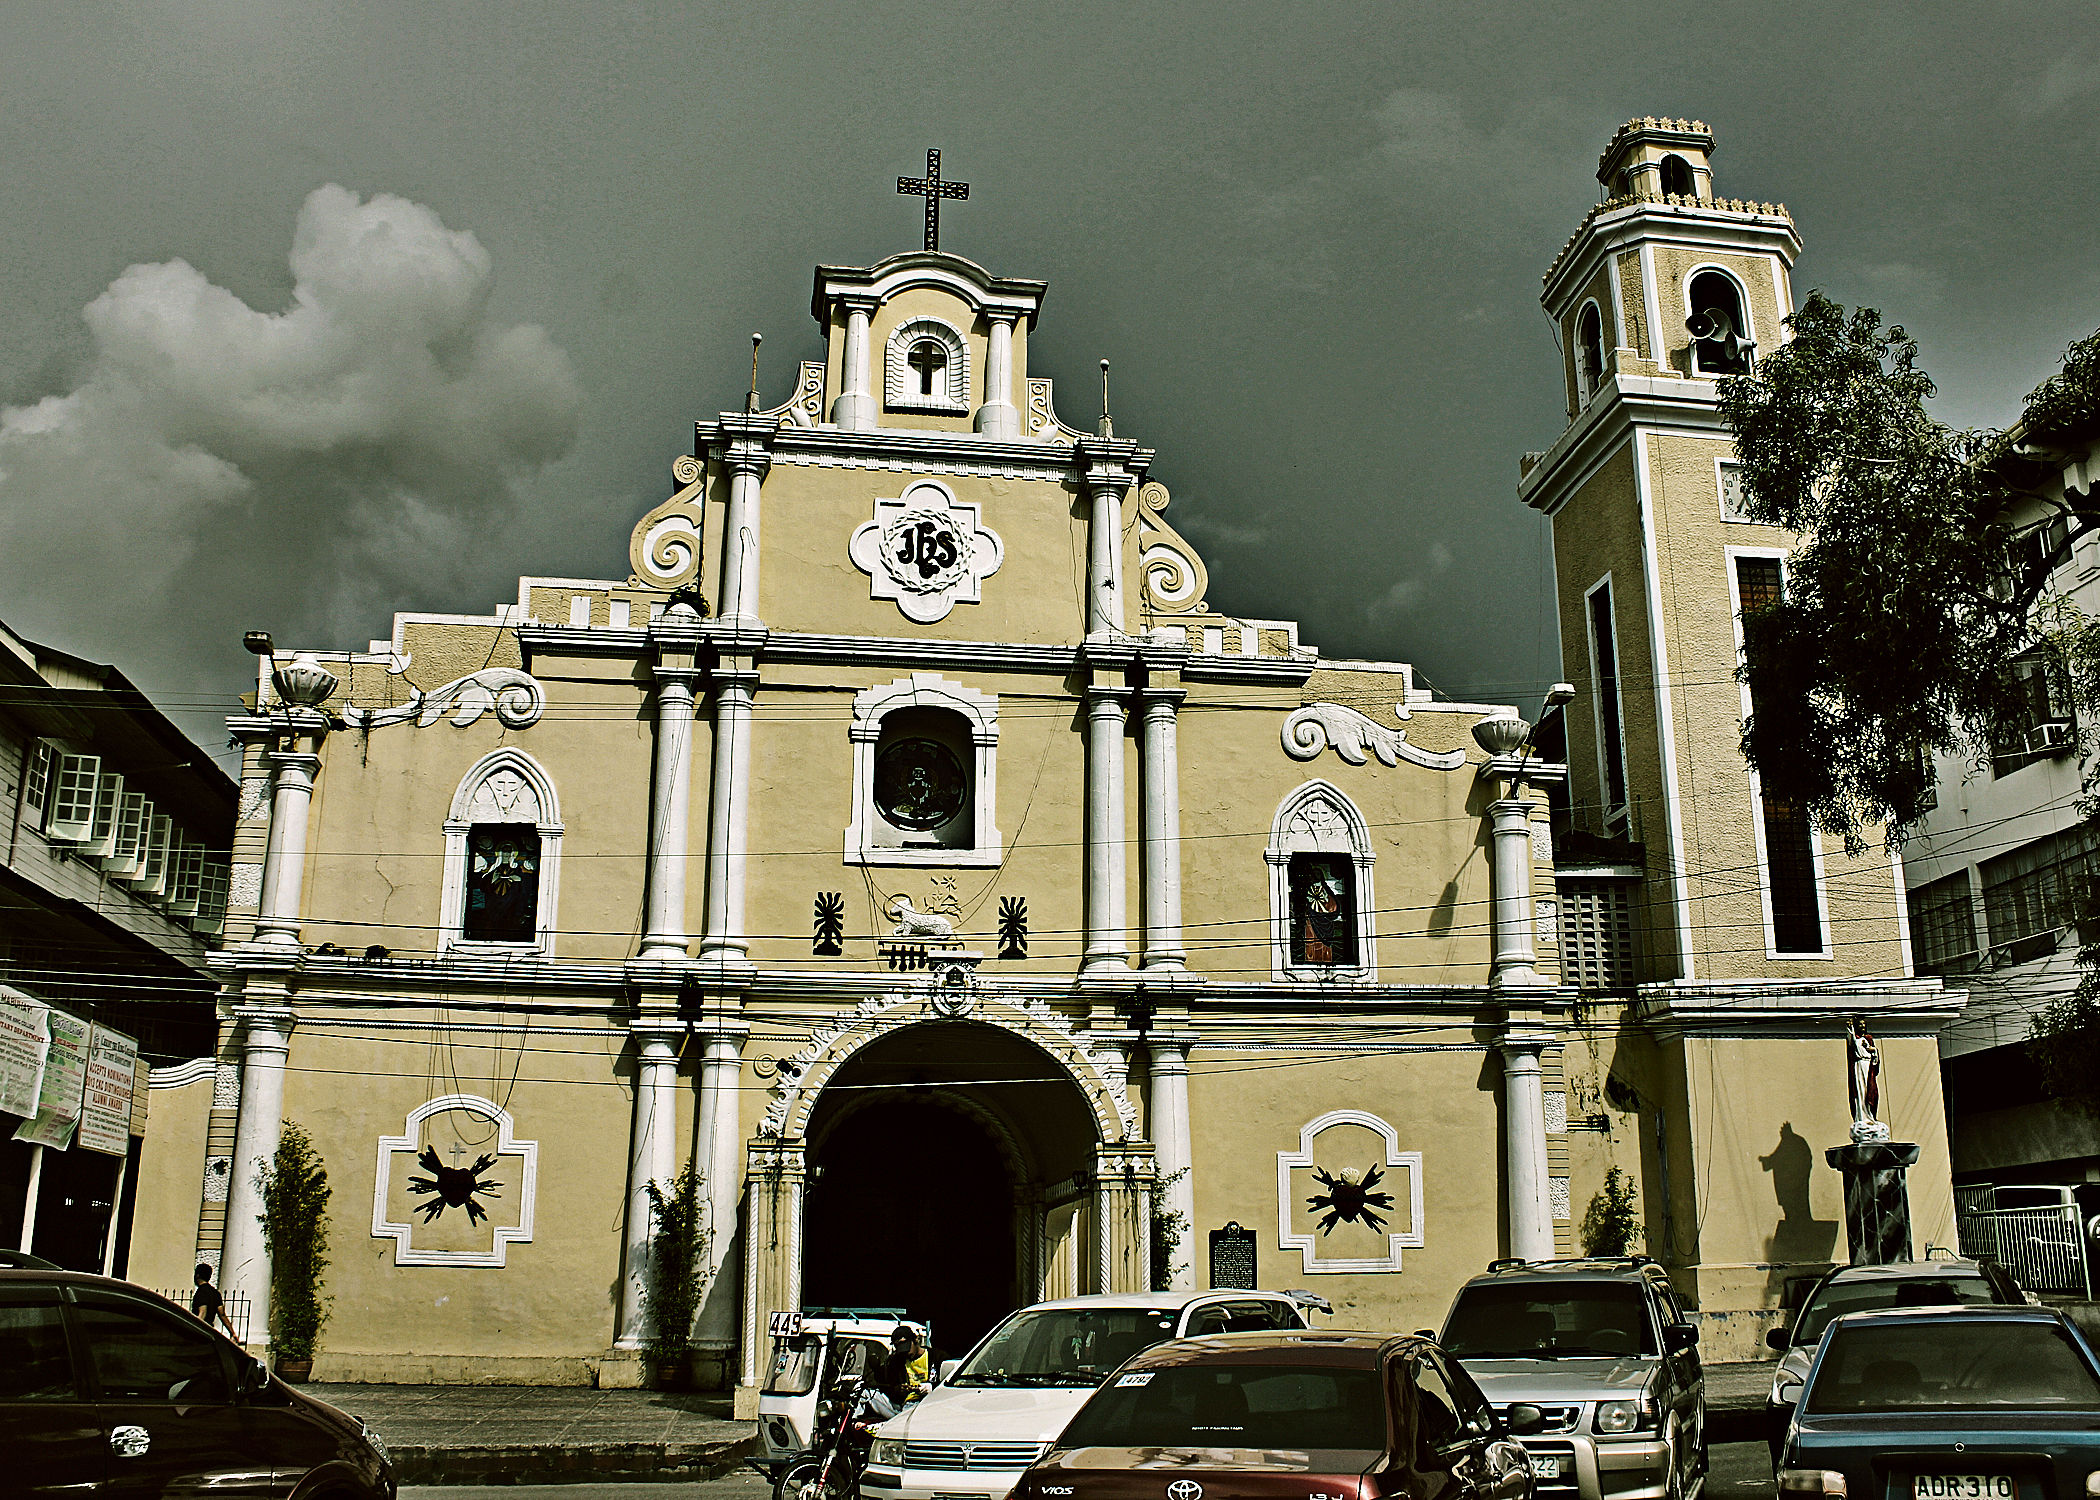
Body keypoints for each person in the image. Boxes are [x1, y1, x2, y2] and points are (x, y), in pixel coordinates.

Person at [875, 1324, 930, 1409]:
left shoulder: (936, 1357)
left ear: (915, 1340)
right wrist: (896, 1390)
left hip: (930, 1402)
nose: (906, 1353)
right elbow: (887, 1385)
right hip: (906, 1404)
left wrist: (931, 1387)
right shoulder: (897, 1361)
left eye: (907, 1348)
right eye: (901, 1349)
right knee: (867, 1395)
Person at [190, 1263, 239, 1340]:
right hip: (210, 1331)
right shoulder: (215, 1293)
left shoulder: (201, 1292)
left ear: (197, 1276)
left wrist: (193, 1329)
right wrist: (232, 1333)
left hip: (201, 1332)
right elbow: (222, 1315)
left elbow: (202, 1313)